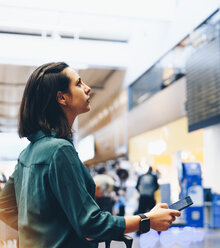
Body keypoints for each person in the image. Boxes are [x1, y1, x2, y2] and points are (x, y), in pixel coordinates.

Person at [0, 62, 180, 248]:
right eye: (78, 84)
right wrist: (147, 220)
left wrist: (43, 231)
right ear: (62, 98)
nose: (88, 88)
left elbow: (4, 207)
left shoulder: (27, 154)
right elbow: (91, 224)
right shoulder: (60, 150)